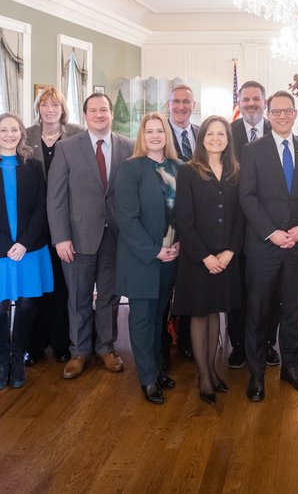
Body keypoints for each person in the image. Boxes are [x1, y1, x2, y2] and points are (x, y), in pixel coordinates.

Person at [238, 91, 298, 401]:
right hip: (264, 246)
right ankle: (257, 374)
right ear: (268, 114)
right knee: (258, 312)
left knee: (292, 311)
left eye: (288, 111)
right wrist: (271, 232)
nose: (283, 116)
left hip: (296, 246)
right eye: (277, 111)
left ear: (295, 113)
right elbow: (247, 197)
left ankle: (291, 367)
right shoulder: (253, 150)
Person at [46, 93, 134, 379]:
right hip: (77, 237)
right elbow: (55, 197)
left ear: (111, 114)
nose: (99, 114)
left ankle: (106, 348)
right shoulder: (67, 148)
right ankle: (79, 351)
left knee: (109, 297)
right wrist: (60, 237)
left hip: (116, 236)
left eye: (104, 110)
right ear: (84, 115)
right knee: (78, 298)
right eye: (93, 110)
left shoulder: (128, 146)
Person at [0, 113, 53, 391]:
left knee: (27, 306)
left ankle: (18, 361)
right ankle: (2, 361)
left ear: (21, 134)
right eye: (3, 130)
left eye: (14, 129)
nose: (9, 134)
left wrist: (24, 243)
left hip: (29, 249)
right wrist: (6, 246)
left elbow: (41, 209)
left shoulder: (33, 167)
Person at [174, 116, 244, 405]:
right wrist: (205, 256)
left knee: (217, 312)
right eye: (210, 133)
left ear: (228, 139)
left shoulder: (235, 171)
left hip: (226, 256)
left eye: (221, 134)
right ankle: (204, 377)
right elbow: (183, 220)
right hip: (197, 258)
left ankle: (214, 369)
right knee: (200, 314)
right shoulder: (189, 171)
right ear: (201, 137)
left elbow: (242, 216)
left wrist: (230, 251)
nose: (216, 138)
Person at [114, 113, 181, 404]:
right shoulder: (131, 169)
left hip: (171, 255)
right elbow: (126, 219)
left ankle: (157, 368)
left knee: (159, 316)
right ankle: (147, 378)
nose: (155, 136)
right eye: (149, 131)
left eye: (160, 130)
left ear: (167, 135)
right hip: (143, 257)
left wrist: (178, 245)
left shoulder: (179, 168)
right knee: (142, 319)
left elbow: (185, 213)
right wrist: (154, 250)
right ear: (142, 136)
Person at [23, 86, 84, 367]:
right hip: (34, 221)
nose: (50, 110)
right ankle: (34, 344)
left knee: (62, 285)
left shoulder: (77, 134)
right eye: (44, 105)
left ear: (63, 109)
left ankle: (62, 343)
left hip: (69, 219)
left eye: (55, 105)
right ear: (38, 108)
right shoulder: (25, 135)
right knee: (37, 285)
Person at [226, 81, 279, 370]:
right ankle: (238, 345)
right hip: (235, 226)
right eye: (245, 99)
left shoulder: (278, 129)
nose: (250, 104)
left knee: (269, 290)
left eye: (256, 99)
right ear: (239, 101)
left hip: (269, 226)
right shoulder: (227, 133)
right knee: (238, 290)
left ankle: (267, 343)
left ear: (264, 101)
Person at [165, 84, 197, 362]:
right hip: (166, 224)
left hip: (197, 225)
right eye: (176, 102)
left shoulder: (202, 134)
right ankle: (165, 340)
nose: (181, 107)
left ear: (194, 105)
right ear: (168, 104)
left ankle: (187, 339)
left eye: (186, 102)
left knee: (188, 285)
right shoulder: (157, 133)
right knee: (166, 285)